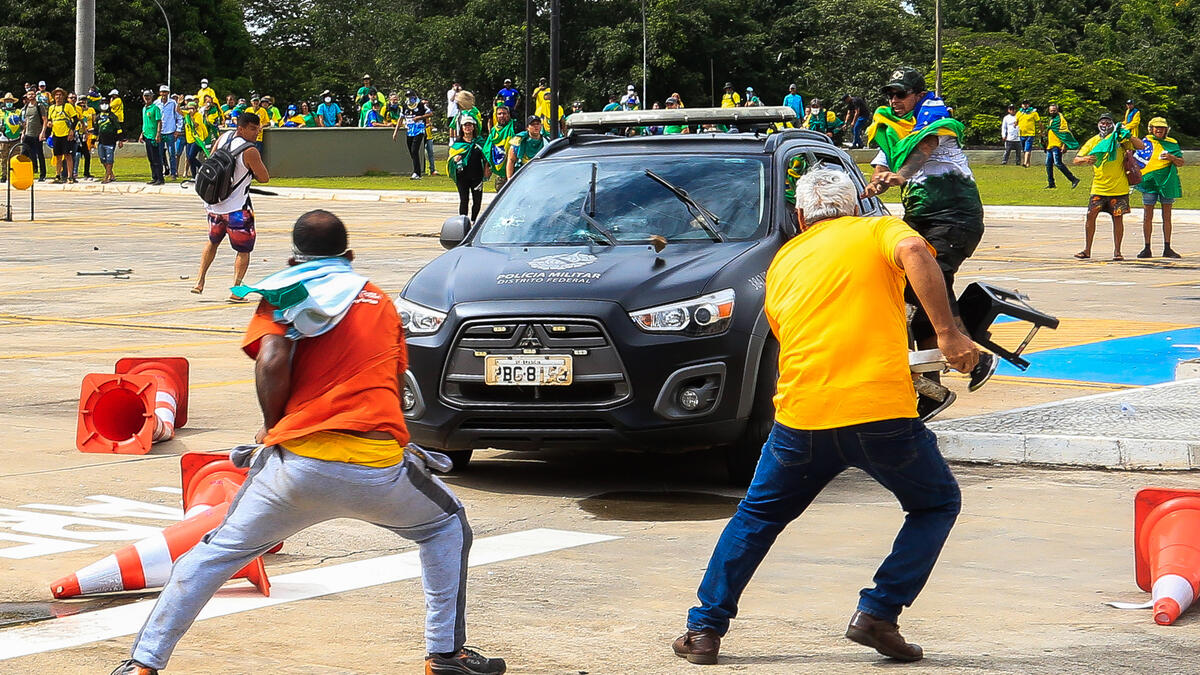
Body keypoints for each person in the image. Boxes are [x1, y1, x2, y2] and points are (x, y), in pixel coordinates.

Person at [114, 208, 507, 675]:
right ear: (349, 256)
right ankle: (445, 655)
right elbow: (396, 379)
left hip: (296, 467)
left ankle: (143, 664)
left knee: (212, 555)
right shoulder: (379, 302)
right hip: (377, 468)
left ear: (293, 257)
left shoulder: (283, 292)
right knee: (446, 526)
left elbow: (272, 361)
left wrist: (272, 424)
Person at [672, 168, 976, 666]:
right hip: (879, 413)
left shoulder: (784, 260)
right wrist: (947, 333)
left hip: (802, 417)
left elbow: (794, 333)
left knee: (757, 518)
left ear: (800, 215)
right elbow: (916, 251)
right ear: (855, 205)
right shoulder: (878, 229)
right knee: (935, 504)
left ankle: (703, 630)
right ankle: (878, 613)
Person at [863, 67, 984, 413]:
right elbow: (881, 165)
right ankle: (932, 392)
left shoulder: (936, 120)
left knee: (928, 283)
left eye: (901, 94)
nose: (894, 100)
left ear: (918, 95)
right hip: (919, 220)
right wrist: (877, 182)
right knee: (914, 305)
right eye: (890, 94)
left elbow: (924, 149)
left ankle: (977, 359)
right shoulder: (890, 127)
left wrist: (900, 175)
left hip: (954, 217)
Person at [190, 112, 270, 299]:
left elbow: (211, 160)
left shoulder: (224, 137)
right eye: (252, 129)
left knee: (212, 242)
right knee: (243, 250)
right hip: (237, 209)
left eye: (258, 129)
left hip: (214, 206)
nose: (257, 132)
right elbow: (264, 178)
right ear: (241, 128)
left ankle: (199, 281)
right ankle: (236, 291)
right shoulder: (250, 150)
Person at [1072, 112, 1146, 261]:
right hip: (1099, 187)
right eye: (1102, 123)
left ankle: (1117, 252)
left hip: (1119, 188)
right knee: (1090, 216)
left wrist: (1129, 135)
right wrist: (1086, 159)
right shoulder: (1093, 141)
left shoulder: (1120, 139)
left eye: (1108, 123)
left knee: (1117, 219)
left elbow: (1141, 146)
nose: (1105, 126)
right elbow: (1076, 160)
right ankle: (1087, 250)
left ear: (1113, 124)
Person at [1134, 117, 1185, 259]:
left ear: (1166, 130)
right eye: (1156, 127)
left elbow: (1181, 162)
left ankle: (1167, 247)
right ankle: (1147, 247)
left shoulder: (1172, 143)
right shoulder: (1145, 142)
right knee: (1147, 216)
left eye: (1162, 128)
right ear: (1151, 129)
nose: (1159, 130)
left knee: (1167, 216)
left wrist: (1171, 158)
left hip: (1166, 183)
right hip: (1148, 183)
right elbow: (1137, 160)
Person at [448, 115, 491, 221]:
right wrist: (455, 160)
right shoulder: (458, 143)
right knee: (464, 200)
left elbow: (486, 157)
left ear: (473, 127)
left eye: (470, 125)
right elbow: (451, 158)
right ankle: (463, 222)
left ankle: (473, 221)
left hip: (477, 176)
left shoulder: (480, 142)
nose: (467, 127)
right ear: (462, 128)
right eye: (465, 125)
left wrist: (487, 170)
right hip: (462, 176)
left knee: (477, 201)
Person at [42, 88, 79, 183]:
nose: (58, 96)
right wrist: (49, 124)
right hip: (56, 134)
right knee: (58, 156)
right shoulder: (51, 108)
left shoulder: (67, 106)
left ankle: (70, 177)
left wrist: (72, 130)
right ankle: (58, 176)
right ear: (54, 97)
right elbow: (49, 120)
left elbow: (75, 119)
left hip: (66, 134)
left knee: (68, 155)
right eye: (56, 95)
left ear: (63, 96)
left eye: (60, 95)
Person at [393, 91, 432, 179]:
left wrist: (420, 117)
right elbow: (400, 119)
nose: (409, 98)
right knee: (412, 151)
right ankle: (417, 171)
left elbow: (430, 113)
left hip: (419, 130)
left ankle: (417, 173)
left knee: (414, 150)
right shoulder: (404, 106)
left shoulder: (421, 105)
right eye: (408, 96)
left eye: (411, 96)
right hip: (409, 131)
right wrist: (395, 132)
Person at [1043, 103, 1080, 189]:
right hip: (1050, 146)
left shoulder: (1061, 120)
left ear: (1057, 110)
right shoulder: (1051, 120)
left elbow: (1065, 133)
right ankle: (1051, 183)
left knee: (1058, 163)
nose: (1052, 112)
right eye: (1051, 111)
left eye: (1054, 110)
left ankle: (1073, 179)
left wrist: (1064, 145)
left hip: (1057, 145)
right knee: (1048, 165)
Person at [154, 85, 183, 181]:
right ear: (160, 93)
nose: (164, 94)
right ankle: (160, 172)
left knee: (172, 154)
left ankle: (173, 173)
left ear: (168, 93)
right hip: (160, 132)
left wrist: (178, 130)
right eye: (162, 92)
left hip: (170, 131)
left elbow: (179, 117)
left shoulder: (173, 103)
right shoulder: (156, 103)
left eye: (165, 92)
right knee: (159, 154)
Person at [483, 104, 515, 188]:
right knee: (500, 191)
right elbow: (487, 149)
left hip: (515, 168)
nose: (502, 116)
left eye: (504, 113)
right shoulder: (494, 131)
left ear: (508, 115)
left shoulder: (515, 127)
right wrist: (487, 166)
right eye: (499, 114)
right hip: (500, 170)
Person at [20, 89, 48, 181]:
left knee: (40, 154)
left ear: (35, 95)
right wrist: (23, 132)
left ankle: (42, 175)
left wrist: (42, 132)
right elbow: (26, 121)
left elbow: (45, 120)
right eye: (29, 94)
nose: (31, 96)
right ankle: (26, 173)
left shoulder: (39, 106)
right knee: (24, 154)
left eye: (32, 94)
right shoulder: (26, 107)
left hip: (37, 134)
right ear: (27, 96)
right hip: (28, 134)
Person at [139, 90, 164, 185]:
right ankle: (154, 177)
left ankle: (160, 178)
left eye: (148, 96)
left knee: (156, 158)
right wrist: (142, 133)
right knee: (151, 158)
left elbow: (159, 122)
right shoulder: (144, 108)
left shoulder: (155, 108)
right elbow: (145, 123)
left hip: (153, 136)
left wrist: (158, 134)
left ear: (152, 97)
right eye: (145, 96)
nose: (147, 98)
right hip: (147, 135)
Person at [94, 101, 122, 183]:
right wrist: (92, 142)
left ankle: (106, 177)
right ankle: (111, 174)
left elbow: (119, 129)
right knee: (102, 159)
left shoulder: (112, 116)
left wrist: (120, 140)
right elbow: (95, 130)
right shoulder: (98, 117)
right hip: (101, 141)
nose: (104, 105)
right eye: (102, 103)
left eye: (105, 103)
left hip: (111, 141)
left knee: (109, 159)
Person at [0, 93, 22, 179]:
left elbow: (22, 122)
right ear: (4, 102)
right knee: (3, 158)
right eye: (7, 101)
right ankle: (4, 175)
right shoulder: (1, 112)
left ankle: (14, 175)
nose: (9, 103)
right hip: (4, 138)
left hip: (15, 138)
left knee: (15, 158)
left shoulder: (18, 112)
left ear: (13, 102)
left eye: (10, 101)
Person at [1015, 99, 1040, 168]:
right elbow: (1016, 122)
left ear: (1029, 105)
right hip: (1021, 134)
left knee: (1027, 149)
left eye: (1026, 104)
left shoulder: (1033, 113)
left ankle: (1025, 163)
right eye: (1024, 104)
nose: (1025, 105)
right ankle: (1028, 162)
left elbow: (1039, 122)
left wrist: (1040, 130)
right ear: (1022, 105)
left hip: (1030, 133)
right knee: (1024, 149)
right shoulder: (1019, 113)